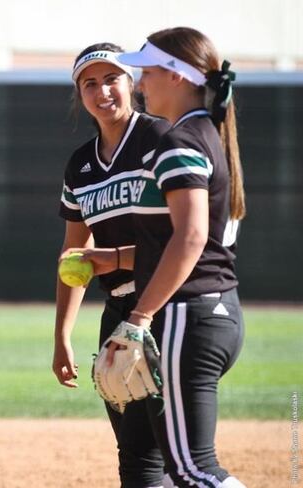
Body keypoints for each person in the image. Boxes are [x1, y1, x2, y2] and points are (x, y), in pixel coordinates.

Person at [84, 27, 246, 487]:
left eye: (148, 72)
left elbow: (191, 238)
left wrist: (138, 317)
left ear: (176, 76)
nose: (140, 83)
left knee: (194, 470)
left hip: (186, 316)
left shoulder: (179, 142)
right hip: (215, 310)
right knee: (183, 468)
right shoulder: (205, 133)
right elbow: (188, 237)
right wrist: (115, 257)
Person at [53, 42, 170, 487]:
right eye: (90, 83)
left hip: (163, 309)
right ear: (79, 94)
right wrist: (62, 334)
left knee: (159, 454)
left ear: (133, 83)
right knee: (135, 451)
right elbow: (74, 257)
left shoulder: (159, 139)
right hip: (116, 313)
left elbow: (188, 242)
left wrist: (115, 257)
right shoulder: (81, 164)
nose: (102, 91)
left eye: (112, 79)